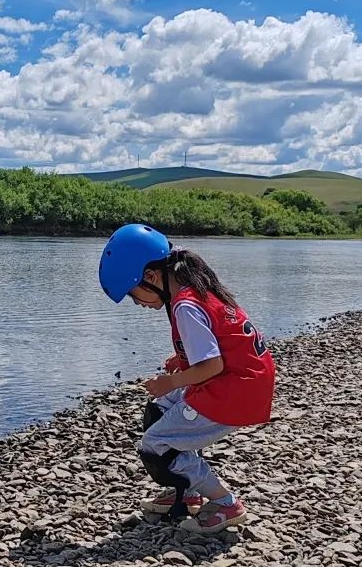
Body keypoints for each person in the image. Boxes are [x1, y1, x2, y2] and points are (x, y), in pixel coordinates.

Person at [98, 224, 275, 535]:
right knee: (159, 408)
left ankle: (225, 503)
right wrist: (180, 362)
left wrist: (171, 381)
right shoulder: (197, 289)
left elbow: (211, 365)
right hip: (246, 382)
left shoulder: (185, 306)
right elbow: (217, 344)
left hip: (235, 391)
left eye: (133, 293)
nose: (137, 303)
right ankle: (187, 489)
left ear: (151, 277)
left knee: (155, 446)